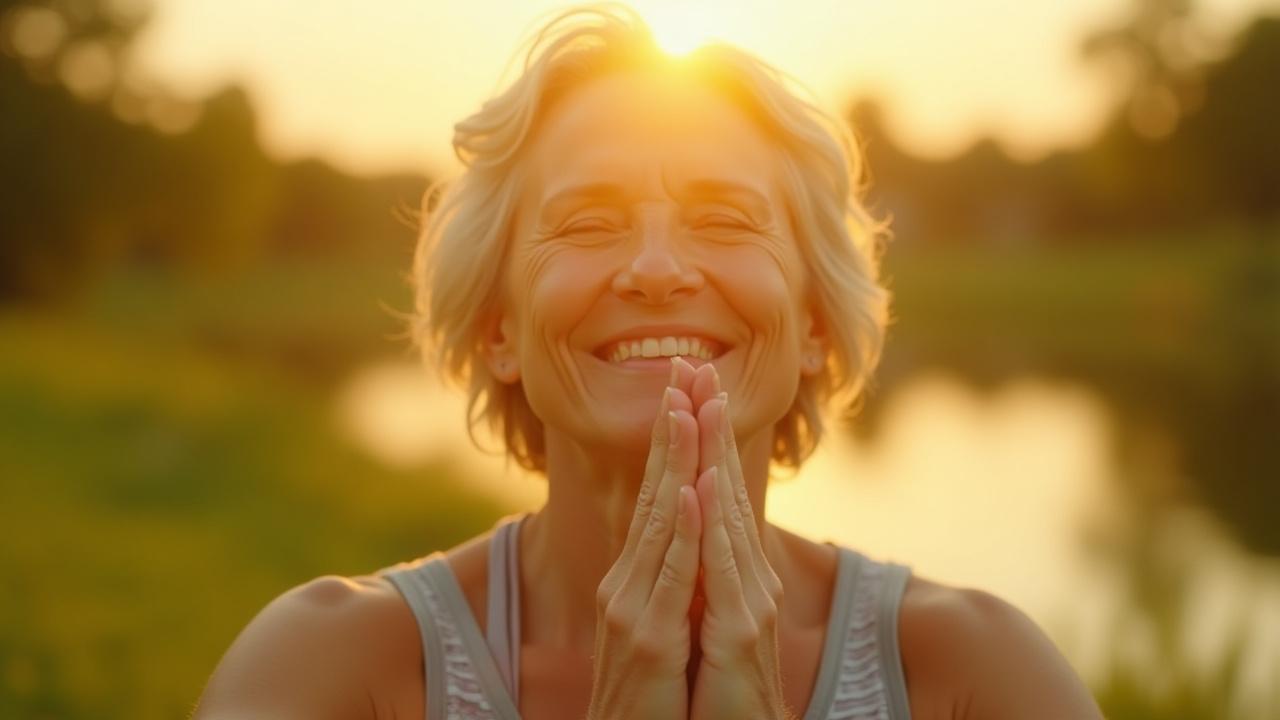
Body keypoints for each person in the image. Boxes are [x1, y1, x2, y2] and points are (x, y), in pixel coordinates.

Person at [193, 5, 1102, 719]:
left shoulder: (978, 675)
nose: (659, 270)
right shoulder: (329, 667)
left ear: (817, 321)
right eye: (588, 224)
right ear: (500, 326)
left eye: (725, 220)